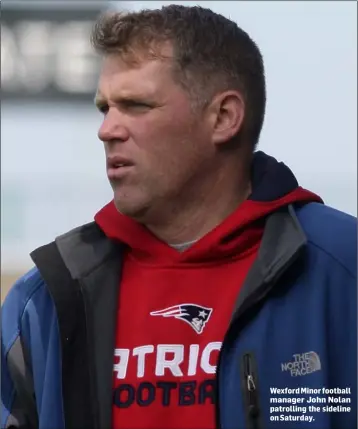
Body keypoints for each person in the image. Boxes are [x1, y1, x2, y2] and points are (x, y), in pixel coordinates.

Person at [1, 5, 356, 429]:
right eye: (105, 108)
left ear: (223, 117)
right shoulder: (44, 299)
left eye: (136, 105)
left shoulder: (342, 269)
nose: (107, 129)